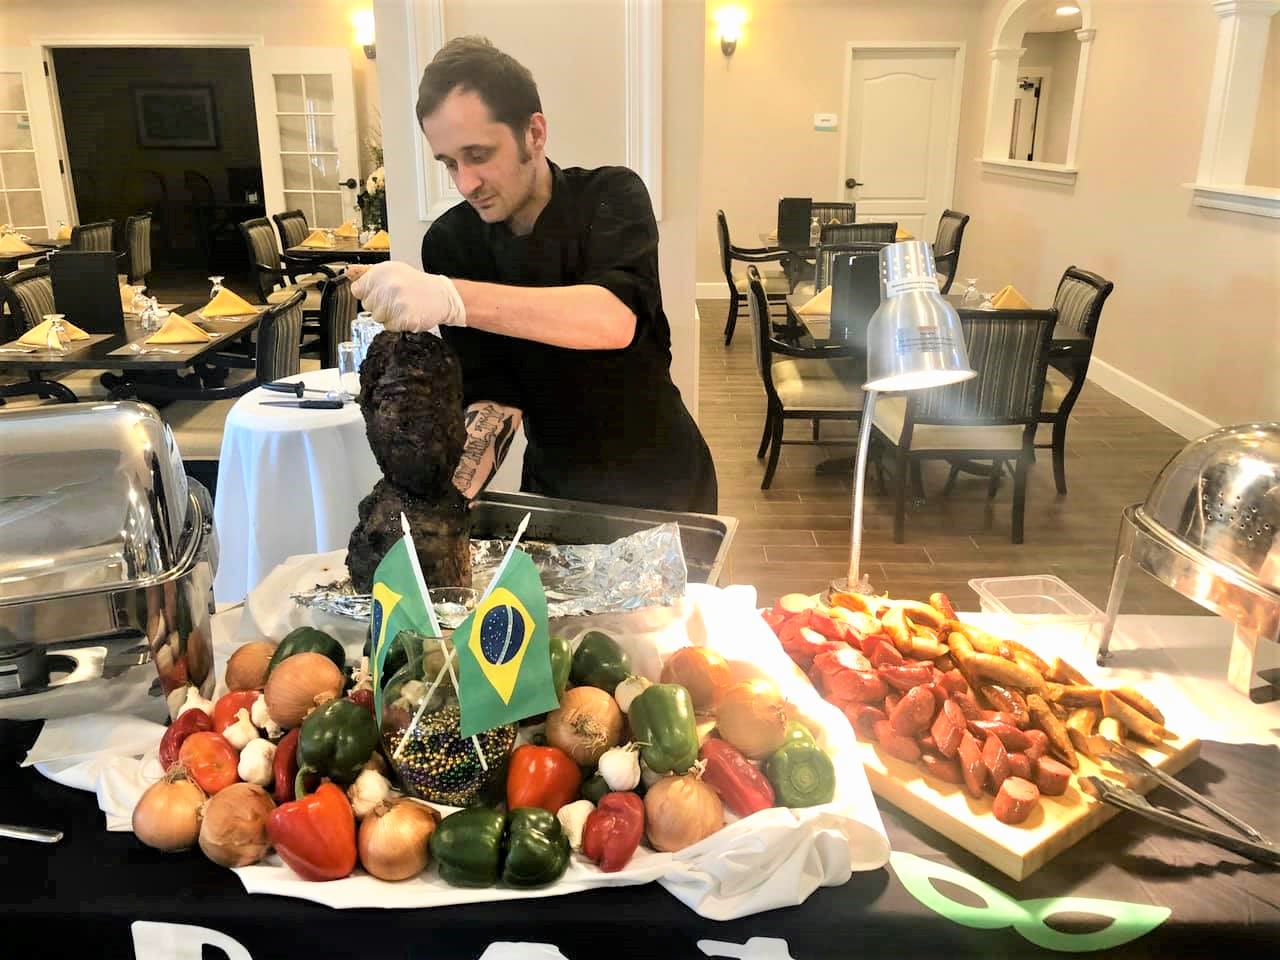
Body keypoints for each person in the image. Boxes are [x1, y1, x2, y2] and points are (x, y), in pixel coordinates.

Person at [349, 36, 716, 515]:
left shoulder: (611, 195)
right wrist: (440, 509)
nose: (465, 183)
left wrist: (448, 296)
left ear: (534, 133)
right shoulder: (452, 242)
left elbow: (610, 320)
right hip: (553, 488)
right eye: (449, 163)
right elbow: (495, 403)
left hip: (661, 485)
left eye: (478, 155)